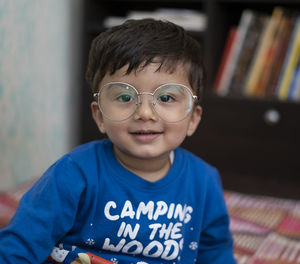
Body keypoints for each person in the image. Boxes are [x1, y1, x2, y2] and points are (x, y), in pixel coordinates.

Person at [0, 18, 236, 263]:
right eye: (125, 97)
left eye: (166, 97)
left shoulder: (204, 180)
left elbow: (215, 252)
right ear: (99, 116)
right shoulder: (73, 173)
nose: (145, 113)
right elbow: (21, 244)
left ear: (193, 119)